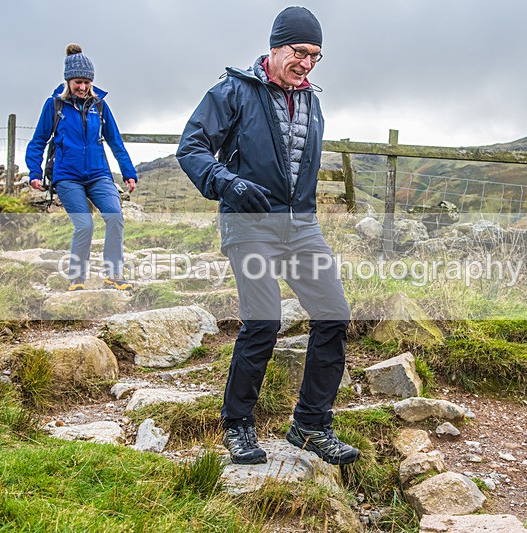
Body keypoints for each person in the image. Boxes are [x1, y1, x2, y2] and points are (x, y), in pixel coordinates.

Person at [177, 6, 359, 466]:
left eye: (316, 56)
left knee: (334, 316)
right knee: (263, 323)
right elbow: (191, 146)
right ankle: (237, 425)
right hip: (249, 225)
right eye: (300, 52)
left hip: (301, 228)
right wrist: (227, 182)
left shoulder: (312, 99)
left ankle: (311, 426)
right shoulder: (234, 89)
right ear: (276, 46)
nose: (307, 64)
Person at [26, 44, 138, 291]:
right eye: (78, 82)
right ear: (68, 80)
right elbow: (38, 142)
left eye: (87, 82)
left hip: (99, 175)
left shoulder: (100, 106)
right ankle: (77, 279)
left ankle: (114, 275)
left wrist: (129, 172)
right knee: (84, 224)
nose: (83, 87)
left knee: (115, 217)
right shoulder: (54, 106)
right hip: (68, 177)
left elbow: (115, 142)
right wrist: (34, 172)